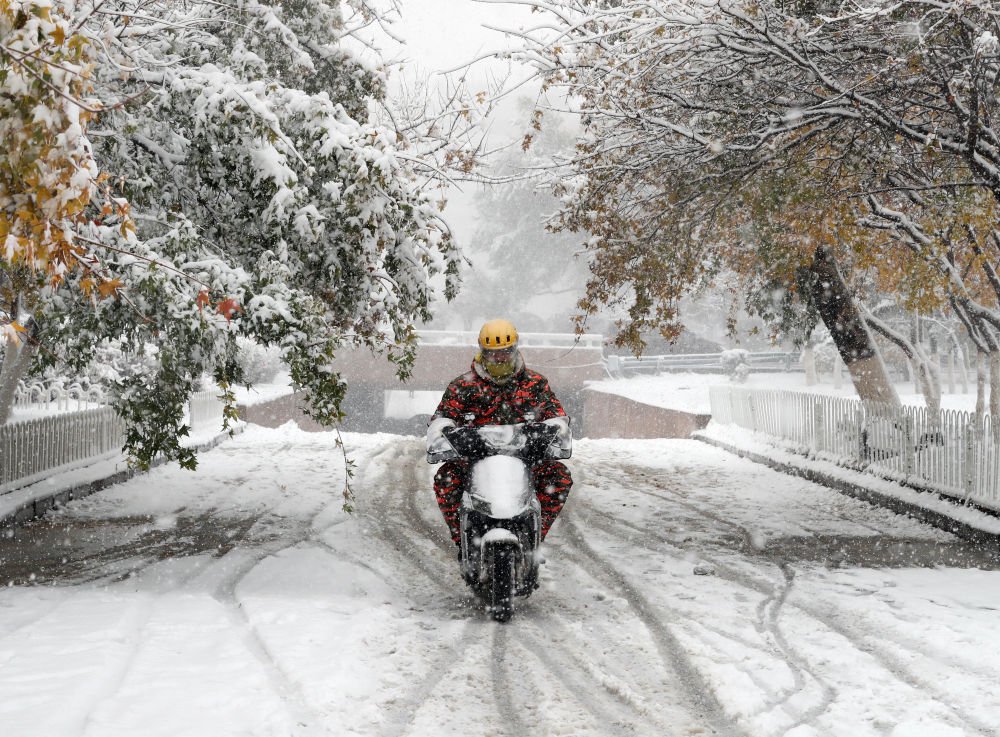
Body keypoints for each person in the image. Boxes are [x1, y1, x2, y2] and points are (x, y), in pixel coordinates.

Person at [426, 319, 573, 547]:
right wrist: (451, 433)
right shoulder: (462, 386)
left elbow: (556, 415)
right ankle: (462, 540)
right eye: (493, 353)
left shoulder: (535, 383)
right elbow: (442, 418)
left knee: (559, 477)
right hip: (473, 461)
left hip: (527, 460)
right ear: (482, 352)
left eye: (505, 352)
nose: (500, 358)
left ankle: (534, 538)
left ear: (515, 350)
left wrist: (549, 431)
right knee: (446, 479)